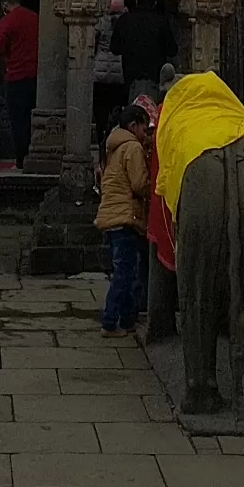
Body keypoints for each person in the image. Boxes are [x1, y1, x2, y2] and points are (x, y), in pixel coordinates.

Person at [95, 103, 152, 337]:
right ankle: (109, 321)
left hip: (113, 216)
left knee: (127, 270)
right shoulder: (132, 147)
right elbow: (139, 183)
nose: (146, 133)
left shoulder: (113, 147)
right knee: (124, 272)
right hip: (125, 215)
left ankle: (128, 320)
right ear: (133, 126)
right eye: (144, 128)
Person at [0, 0, 39, 168]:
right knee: (33, 117)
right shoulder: (34, 17)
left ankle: (20, 159)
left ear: (5, 4)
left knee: (17, 119)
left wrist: (7, 59)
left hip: (16, 75)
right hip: (36, 75)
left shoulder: (7, 21)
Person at [110, 2, 178, 101]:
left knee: (133, 111)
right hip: (155, 78)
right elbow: (173, 50)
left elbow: (114, 48)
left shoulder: (125, 20)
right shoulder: (161, 20)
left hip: (131, 78)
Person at [92, 0, 127, 150]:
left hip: (100, 71)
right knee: (117, 110)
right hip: (119, 71)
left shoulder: (100, 22)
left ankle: (101, 139)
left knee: (101, 112)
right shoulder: (126, 23)